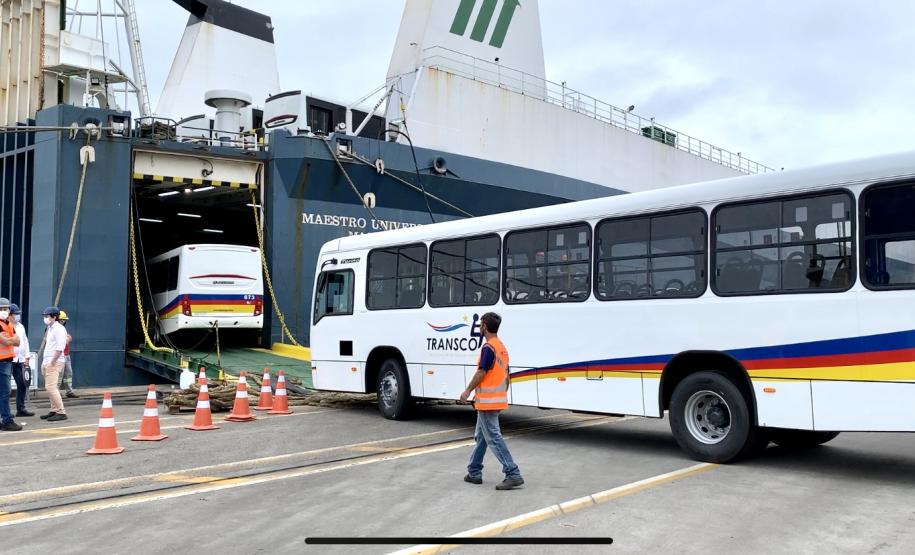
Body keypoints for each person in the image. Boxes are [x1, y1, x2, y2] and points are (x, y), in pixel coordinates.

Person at [460, 312, 524, 490]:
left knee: (493, 438)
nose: (479, 328)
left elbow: (482, 372)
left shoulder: (489, 348)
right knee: (482, 437)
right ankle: (474, 472)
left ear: (485, 327)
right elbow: (507, 376)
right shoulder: (501, 347)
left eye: (480, 325)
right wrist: (501, 396)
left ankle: (513, 473)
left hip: (488, 402)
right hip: (495, 400)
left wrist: (467, 391)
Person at [40, 307, 68, 422]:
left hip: (54, 362)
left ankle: (61, 412)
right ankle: (54, 410)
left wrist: (52, 362)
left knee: (50, 387)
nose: (45, 318)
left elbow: (60, 348)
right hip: (48, 361)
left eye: (47, 316)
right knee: (52, 387)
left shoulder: (59, 329)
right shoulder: (50, 328)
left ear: (54, 317)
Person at [0, 297, 23, 431]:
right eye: (1, 309)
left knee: (3, 392)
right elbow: (7, 341)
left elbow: (18, 341)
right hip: (2, 362)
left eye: (6, 309)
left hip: (7, 362)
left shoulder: (8, 324)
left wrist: (10, 339)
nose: (4, 311)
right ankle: (7, 420)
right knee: (4, 392)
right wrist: (11, 339)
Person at [9, 303, 33, 417]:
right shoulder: (5, 325)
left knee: (22, 383)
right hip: (8, 360)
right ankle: (5, 410)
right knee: (5, 387)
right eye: (15, 314)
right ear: (10, 315)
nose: (17, 316)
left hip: (19, 360)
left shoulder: (21, 326)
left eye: (18, 314)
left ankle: (21, 408)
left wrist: (26, 356)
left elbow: (25, 341)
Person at [58, 310, 78, 398]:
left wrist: (68, 338)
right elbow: (64, 341)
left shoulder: (62, 329)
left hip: (66, 355)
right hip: (59, 356)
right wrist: (67, 339)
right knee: (59, 375)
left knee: (68, 373)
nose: (64, 322)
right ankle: (56, 392)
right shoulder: (53, 329)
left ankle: (69, 391)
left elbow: (67, 338)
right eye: (63, 320)